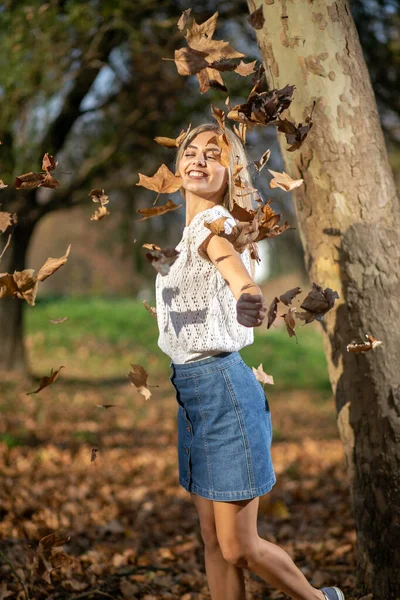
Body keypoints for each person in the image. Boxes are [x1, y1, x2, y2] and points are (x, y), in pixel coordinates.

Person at [155, 123, 345, 600]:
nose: (197, 159)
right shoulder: (183, 239)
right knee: (214, 545)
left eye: (212, 155)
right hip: (193, 397)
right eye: (190, 152)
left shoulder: (209, 228)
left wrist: (248, 296)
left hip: (224, 395)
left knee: (238, 546)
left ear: (231, 172)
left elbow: (239, 278)